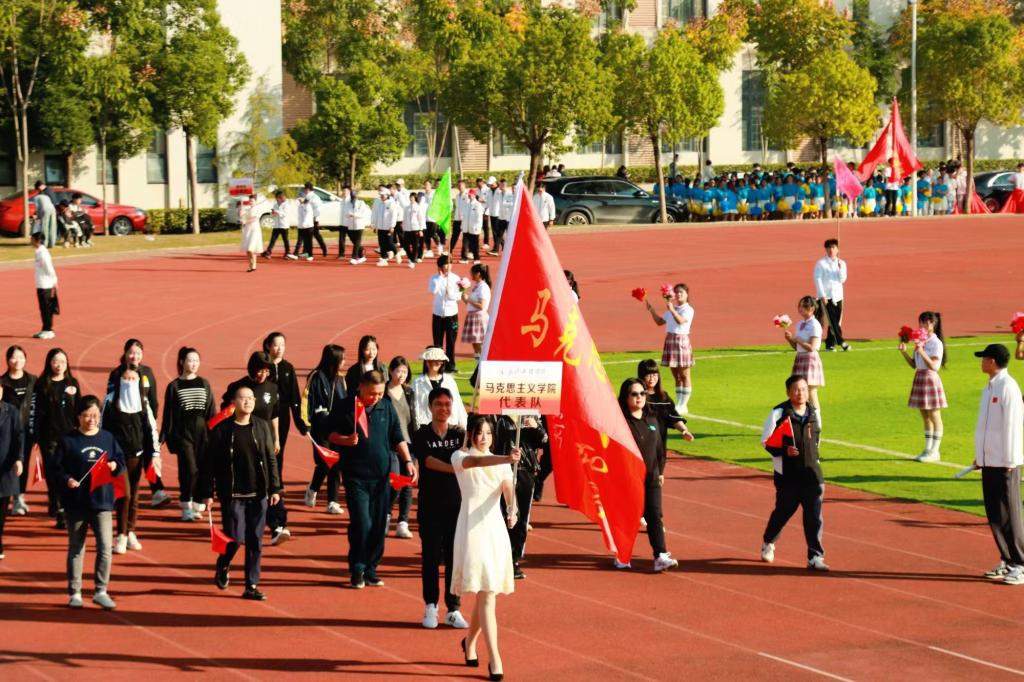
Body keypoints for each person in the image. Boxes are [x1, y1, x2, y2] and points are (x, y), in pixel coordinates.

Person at [326, 370, 418, 589]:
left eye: (379, 393)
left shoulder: (386, 406)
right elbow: (329, 433)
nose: (376, 397)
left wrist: (407, 461)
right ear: (361, 387)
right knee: (362, 523)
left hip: (381, 476)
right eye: (372, 393)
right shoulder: (345, 406)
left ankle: (371, 569)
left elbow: (397, 436)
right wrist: (345, 440)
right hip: (355, 476)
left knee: (378, 525)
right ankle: (357, 568)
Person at [451, 416, 520, 680]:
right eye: (479, 433)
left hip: (494, 530)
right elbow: (476, 463)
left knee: (487, 592)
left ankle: (469, 642)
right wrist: (506, 458)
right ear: (470, 434)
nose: (484, 438)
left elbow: (507, 488)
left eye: (489, 433)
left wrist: (512, 508)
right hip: (471, 530)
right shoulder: (460, 457)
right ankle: (495, 659)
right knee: (486, 594)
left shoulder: (503, 462)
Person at [199, 385, 282, 601]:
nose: (248, 402)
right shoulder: (221, 430)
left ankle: (251, 585)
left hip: (258, 493)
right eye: (243, 398)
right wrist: (208, 493)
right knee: (235, 538)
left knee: (255, 540)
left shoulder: (261, 426)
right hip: (232, 494)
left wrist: (275, 487)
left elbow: (270, 458)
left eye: (251, 398)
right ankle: (223, 564)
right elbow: (209, 464)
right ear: (233, 403)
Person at [54, 395, 126, 609]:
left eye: (95, 415)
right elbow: (56, 468)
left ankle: (100, 590)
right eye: (87, 415)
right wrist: (67, 480)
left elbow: (120, 461)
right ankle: (75, 592)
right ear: (79, 417)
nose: (91, 420)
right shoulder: (68, 440)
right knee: (76, 548)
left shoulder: (107, 438)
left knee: (105, 548)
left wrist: (114, 466)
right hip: (76, 503)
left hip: (102, 502)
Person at [412, 387, 469, 629]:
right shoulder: (421, 434)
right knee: (431, 557)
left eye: (447, 404)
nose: (443, 409)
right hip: (430, 506)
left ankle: (453, 608)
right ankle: (431, 606)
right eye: (439, 404)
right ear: (430, 407)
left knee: (455, 558)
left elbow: (473, 456)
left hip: (457, 507)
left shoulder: (460, 435)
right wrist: (457, 466)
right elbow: (429, 462)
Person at [618, 378, 689, 573]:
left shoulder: (651, 418)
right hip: (628, 478)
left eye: (642, 393)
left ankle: (660, 556)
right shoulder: (620, 423)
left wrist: (661, 472)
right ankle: (622, 555)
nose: (639, 397)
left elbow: (659, 449)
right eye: (634, 394)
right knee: (628, 517)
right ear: (625, 397)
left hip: (651, 477)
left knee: (655, 516)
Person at [759, 374, 828, 571]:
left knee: (814, 516)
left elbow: (817, 439)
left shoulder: (814, 413)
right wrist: (784, 451)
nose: (801, 393)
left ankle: (815, 556)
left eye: (804, 389)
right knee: (783, 512)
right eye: (797, 390)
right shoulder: (779, 413)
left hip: (812, 474)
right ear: (788, 392)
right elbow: (766, 441)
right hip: (788, 475)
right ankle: (768, 541)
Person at [103, 342, 162, 555]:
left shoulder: (143, 405)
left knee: (134, 496)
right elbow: (102, 429)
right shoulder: (110, 403)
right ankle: (120, 535)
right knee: (124, 495)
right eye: (126, 380)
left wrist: (155, 454)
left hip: (137, 455)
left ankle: (130, 532)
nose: (130, 382)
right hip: (117, 457)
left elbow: (152, 429)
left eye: (133, 380)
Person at [973, 344, 1024, 584]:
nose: (981, 362)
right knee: (995, 514)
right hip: (990, 460)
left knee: (1010, 514)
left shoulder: (1007, 387)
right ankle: (1008, 559)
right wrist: (981, 455)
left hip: (1005, 462)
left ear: (992, 361)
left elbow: (1013, 425)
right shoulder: (990, 387)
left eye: (984, 358)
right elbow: (986, 426)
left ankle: (1021, 563)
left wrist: (1011, 459)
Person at [106, 339, 170, 509]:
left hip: (143, 423)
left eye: (138, 353)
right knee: (127, 462)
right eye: (131, 352)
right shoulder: (117, 374)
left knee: (149, 455)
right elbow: (110, 399)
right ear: (125, 353)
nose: (135, 356)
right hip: (124, 426)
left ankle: (157, 491)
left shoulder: (147, 372)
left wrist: (152, 420)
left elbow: (153, 399)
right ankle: (120, 494)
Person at [161, 347, 215, 522]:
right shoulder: (174, 386)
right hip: (183, 433)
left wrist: (216, 433)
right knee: (189, 469)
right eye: (190, 360)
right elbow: (168, 414)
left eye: (196, 361)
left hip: (202, 432)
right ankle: (186, 504)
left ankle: (197, 504)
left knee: (201, 469)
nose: (194, 364)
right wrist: (163, 436)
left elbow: (211, 411)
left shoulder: (204, 383)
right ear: (182, 362)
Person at [30, 348, 80, 529]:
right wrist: (35, 435)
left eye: (63, 362)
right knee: (53, 474)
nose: (59, 365)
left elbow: (78, 409)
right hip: (49, 438)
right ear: (49, 363)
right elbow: (35, 411)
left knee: (67, 473)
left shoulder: (72, 383)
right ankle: (59, 509)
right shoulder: (42, 384)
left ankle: (61, 505)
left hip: (70, 437)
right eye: (56, 361)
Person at [493, 413, 547, 580]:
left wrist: (536, 427)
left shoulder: (531, 414)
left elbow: (544, 441)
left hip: (525, 471)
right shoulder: (495, 415)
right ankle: (495, 558)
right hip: (499, 468)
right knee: (501, 515)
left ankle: (513, 560)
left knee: (521, 518)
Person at [264, 332, 305, 545]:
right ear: (268, 346)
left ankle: (276, 484)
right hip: (264, 420)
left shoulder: (288, 368)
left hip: (283, 419)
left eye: (282, 345)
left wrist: (301, 423)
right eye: (276, 345)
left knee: (277, 455)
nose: (279, 348)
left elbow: (295, 397)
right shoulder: (263, 367)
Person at [302, 344, 347, 514]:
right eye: (341, 358)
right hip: (320, 427)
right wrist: (305, 422)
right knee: (324, 462)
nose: (344, 361)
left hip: (337, 427)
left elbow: (345, 401)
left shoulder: (341, 379)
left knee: (336, 463)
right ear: (333, 359)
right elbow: (307, 399)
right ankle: (313, 488)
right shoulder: (315, 376)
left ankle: (332, 501)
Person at [898, 311, 947, 462]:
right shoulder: (921, 340)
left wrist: (921, 350)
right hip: (919, 377)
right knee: (925, 417)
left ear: (933, 324)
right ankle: (927, 449)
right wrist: (904, 353)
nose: (923, 325)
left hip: (930, 379)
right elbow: (915, 364)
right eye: (921, 322)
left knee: (934, 415)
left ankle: (935, 451)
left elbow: (934, 366)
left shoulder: (936, 343)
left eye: (926, 322)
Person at [642, 282, 695, 415]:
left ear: (687, 294)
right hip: (670, 340)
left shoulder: (688, 309)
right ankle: (679, 403)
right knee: (676, 376)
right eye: (676, 292)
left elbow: (680, 321)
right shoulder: (673, 308)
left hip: (681, 341)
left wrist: (672, 310)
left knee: (684, 375)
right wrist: (651, 310)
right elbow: (659, 322)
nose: (678, 294)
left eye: (681, 292)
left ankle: (684, 404)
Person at [222, 352, 280, 458]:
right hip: (243, 439)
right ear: (253, 369)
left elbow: (274, 415)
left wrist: (276, 439)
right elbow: (226, 413)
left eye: (266, 371)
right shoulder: (237, 387)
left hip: (265, 438)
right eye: (260, 371)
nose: (263, 375)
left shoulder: (273, 388)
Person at [2, 346, 36, 516]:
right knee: (7, 463)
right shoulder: (2, 382)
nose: (18, 361)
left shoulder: (32, 381)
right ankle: (8, 497)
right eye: (14, 357)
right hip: (6, 432)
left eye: (21, 357)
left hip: (27, 430)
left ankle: (19, 496)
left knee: (23, 462)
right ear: (8, 360)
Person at [385, 356, 417, 539]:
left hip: (409, 443)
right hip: (390, 445)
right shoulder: (383, 392)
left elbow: (414, 418)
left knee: (407, 484)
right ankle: (386, 515)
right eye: (398, 371)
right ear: (391, 371)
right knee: (395, 482)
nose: (401, 375)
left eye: (404, 372)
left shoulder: (409, 392)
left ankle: (403, 523)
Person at [636, 359, 693, 461]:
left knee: (658, 469)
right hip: (641, 446)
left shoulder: (663, 398)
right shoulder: (637, 397)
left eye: (655, 375)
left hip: (659, 446)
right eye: (648, 375)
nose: (652, 379)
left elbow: (673, 417)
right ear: (641, 376)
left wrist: (684, 431)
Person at [783, 296, 825, 425]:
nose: (800, 308)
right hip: (800, 357)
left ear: (812, 308)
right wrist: (790, 339)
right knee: (800, 391)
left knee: (811, 392)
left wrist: (798, 340)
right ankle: (804, 422)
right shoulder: (800, 324)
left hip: (810, 359)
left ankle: (817, 423)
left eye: (803, 306)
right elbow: (797, 347)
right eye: (800, 306)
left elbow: (812, 347)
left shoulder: (815, 325)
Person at [412, 347, 468, 429]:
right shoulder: (417, 382)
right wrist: (416, 427)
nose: (433, 364)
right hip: (426, 426)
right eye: (430, 361)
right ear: (426, 362)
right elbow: (415, 405)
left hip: (449, 425)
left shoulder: (449, 381)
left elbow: (458, 404)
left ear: (442, 363)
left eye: (437, 361)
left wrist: (464, 425)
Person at [0, 382, 24, 560]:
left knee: (1, 509)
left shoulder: (12, 412)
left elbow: (19, 436)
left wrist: (19, 459)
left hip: (5, 468)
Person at [814, 239, 849, 352]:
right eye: (829, 247)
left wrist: (840, 269)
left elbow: (843, 279)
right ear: (826, 249)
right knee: (831, 320)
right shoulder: (821, 263)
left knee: (836, 321)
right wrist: (822, 295)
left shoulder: (842, 263)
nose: (831, 250)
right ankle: (841, 342)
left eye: (833, 247)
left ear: (837, 249)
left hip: (838, 296)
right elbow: (818, 279)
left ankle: (830, 344)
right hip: (826, 296)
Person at [430, 256, 462, 373]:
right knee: (437, 342)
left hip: (451, 314)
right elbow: (433, 290)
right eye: (445, 264)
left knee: (451, 341)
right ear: (440, 267)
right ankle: (438, 365)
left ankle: (450, 365)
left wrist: (451, 294)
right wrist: (440, 278)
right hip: (438, 313)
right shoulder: (434, 278)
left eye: (450, 264)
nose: (448, 266)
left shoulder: (456, 278)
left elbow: (459, 296)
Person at [461, 264, 491, 360]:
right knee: (475, 343)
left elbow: (482, 305)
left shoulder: (483, 287)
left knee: (479, 343)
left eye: (472, 273)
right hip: (473, 315)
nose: (471, 275)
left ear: (478, 274)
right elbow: (471, 303)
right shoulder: (476, 286)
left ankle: (482, 361)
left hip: (479, 317)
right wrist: (464, 298)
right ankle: (478, 360)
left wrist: (468, 299)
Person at [32, 232, 58, 340]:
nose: (31, 241)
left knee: (46, 308)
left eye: (32, 239)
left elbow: (49, 268)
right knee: (43, 308)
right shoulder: (38, 252)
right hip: (41, 284)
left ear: (38, 240)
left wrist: (54, 281)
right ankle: (45, 328)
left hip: (46, 284)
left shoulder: (43, 253)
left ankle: (49, 330)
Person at [343, 185, 371, 265]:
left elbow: (362, 214)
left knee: (357, 241)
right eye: (352, 196)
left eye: (354, 196)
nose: (353, 198)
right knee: (355, 242)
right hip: (350, 225)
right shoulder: (347, 204)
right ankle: (361, 254)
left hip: (359, 225)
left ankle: (354, 257)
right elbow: (345, 213)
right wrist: (349, 214)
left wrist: (354, 215)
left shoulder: (361, 203)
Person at [371, 185, 398, 266]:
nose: (382, 196)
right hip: (380, 227)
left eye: (383, 195)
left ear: (387, 195)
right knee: (381, 244)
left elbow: (394, 215)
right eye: (381, 195)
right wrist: (375, 225)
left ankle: (396, 253)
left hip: (388, 227)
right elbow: (376, 214)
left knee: (389, 243)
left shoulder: (391, 203)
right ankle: (384, 259)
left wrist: (392, 226)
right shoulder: (379, 203)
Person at [301, 182, 328, 257]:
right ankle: (306, 251)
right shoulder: (307, 196)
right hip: (308, 219)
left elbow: (317, 209)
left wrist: (316, 218)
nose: (304, 190)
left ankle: (324, 249)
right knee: (307, 235)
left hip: (313, 218)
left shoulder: (314, 197)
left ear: (308, 189)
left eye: (305, 188)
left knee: (315, 235)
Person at [263, 191, 290, 259]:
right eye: (276, 198)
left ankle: (287, 253)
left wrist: (277, 212)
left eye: (278, 198)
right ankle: (268, 252)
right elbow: (273, 214)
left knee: (285, 240)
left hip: (284, 225)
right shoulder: (275, 204)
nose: (276, 199)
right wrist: (273, 214)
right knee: (273, 240)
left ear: (281, 197)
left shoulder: (286, 205)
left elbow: (284, 214)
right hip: (276, 225)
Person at [239, 194, 263, 272]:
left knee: (251, 248)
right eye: (250, 200)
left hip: (254, 230)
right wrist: (241, 214)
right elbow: (242, 218)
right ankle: (251, 265)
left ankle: (253, 265)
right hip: (248, 230)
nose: (250, 202)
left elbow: (255, 218)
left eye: (252, 200)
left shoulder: (258, 208)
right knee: (248, 249)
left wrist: (246, 221)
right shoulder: (248, 209)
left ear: (255, 201)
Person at [33, 180, 57, 248]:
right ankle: (52, 243)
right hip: (53, 209)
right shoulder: (50, 190)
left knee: (45, 227)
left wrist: (38, 218)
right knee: (52, 228)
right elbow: (54, 201)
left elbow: (38, 208)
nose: (38, 191)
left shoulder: (41, 195)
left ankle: (44, 243)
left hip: (46, 210)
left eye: (38, 189)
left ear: (39, 187)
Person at [294, 189, 315, 261]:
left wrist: (303, 224)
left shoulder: (308, 206)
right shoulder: (300, 206)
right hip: (301, 226)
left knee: (309, 242)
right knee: (300, 241)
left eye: (301, 198)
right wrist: (300, 225)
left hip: (308, 226)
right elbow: (300, 217)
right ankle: (296, 254)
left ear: (304, 198)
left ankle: (311, 255)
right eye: (298, 198)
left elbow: (308, 216)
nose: (299, 200)